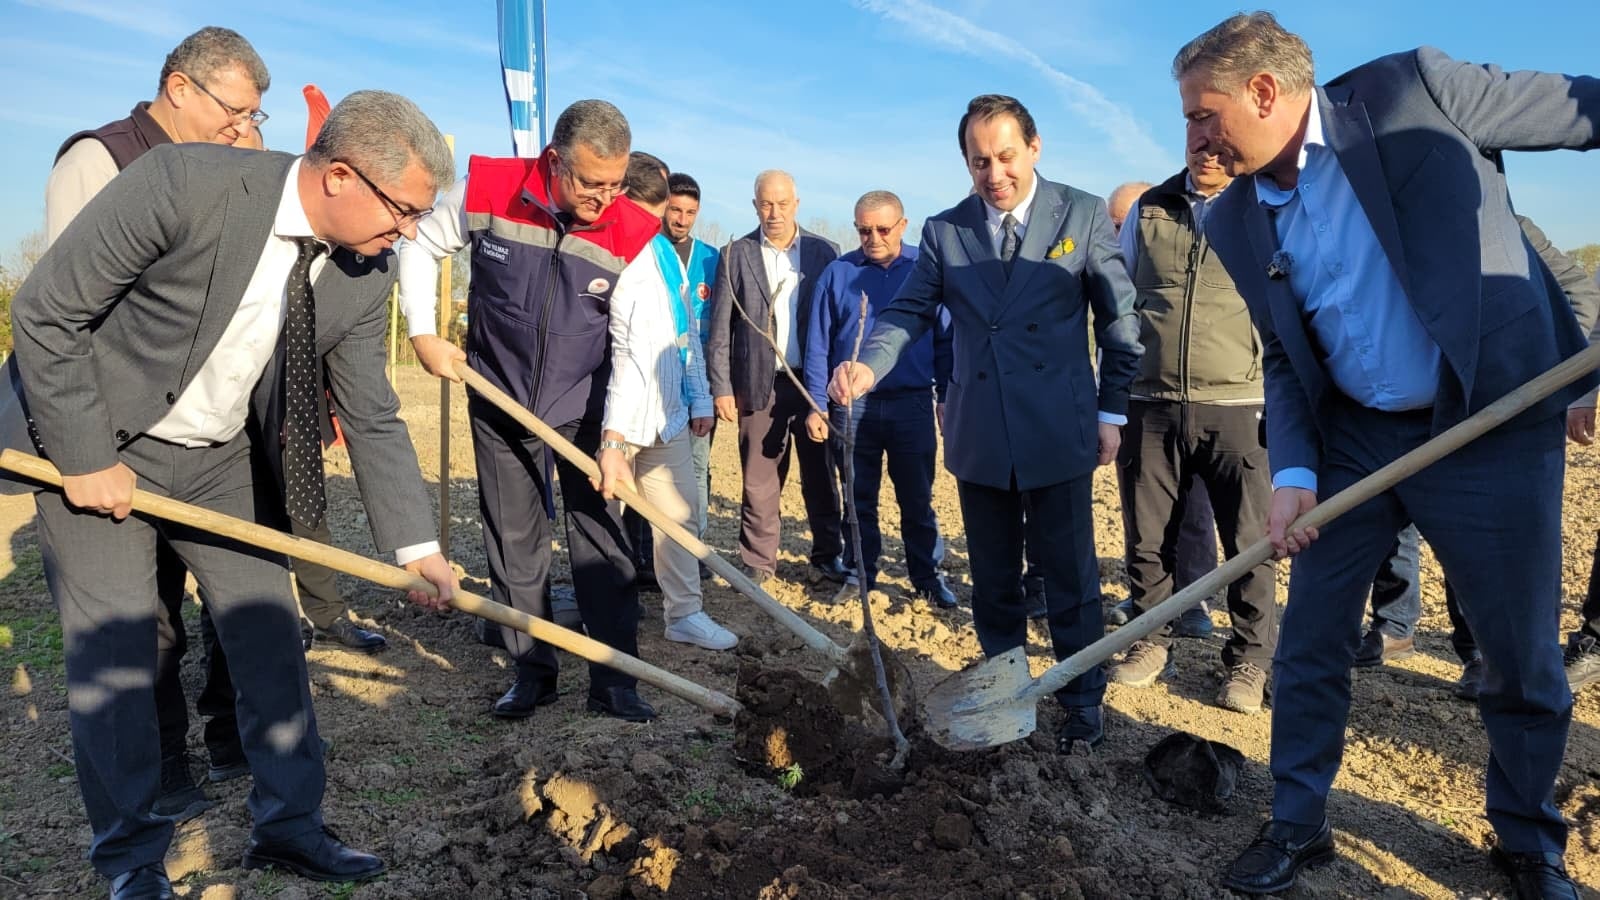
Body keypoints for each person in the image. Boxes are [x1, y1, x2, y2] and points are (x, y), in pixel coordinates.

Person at [1173, 13, 1599, 897]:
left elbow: (1581, 107)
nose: (1195, 137)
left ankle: (1529, 844)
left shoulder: (1415, 93)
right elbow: (1285, 356)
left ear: (1263, 91)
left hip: (1488, 421)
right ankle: (1298, 823)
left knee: (1520, 656)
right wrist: (1294, 475)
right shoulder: (1236, 219)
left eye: (1203, 114)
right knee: (1310, 640)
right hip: (1356, 440)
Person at [3, 90, 458, 899]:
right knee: (117, 658)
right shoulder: (186, 183)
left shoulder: (365, 269)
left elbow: (372, 411)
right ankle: (132, 862)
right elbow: (47, 311)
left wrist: (417, 549)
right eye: (405, 211)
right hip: (99, 441)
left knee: (268, 636)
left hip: (219, 459)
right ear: (341, 176)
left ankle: (289, 827)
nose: (411, 232)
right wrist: (84, 454)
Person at [830, 94, 1143, 752]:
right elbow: (908, 312)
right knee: (995, 583)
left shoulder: (1082, 214)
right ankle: (1005, 696)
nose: (994, 173)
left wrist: (1112, 408)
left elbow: (1119, 320)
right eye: (979, 161)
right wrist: (868, 365)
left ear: (1034, 147)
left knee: (1070, 578)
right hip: (981, 432)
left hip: (1058, 426)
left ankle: (1082, 700)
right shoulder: (946, 231)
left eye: (1005, 156)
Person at [43, 25, 271, 826]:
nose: (243, 128)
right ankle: (163, 763)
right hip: (116, 437)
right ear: (179, 87)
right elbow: (68, 314)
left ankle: (231, 739)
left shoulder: (228, 168)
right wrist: (89, 449)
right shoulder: (99, 161)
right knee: (147, 617)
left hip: (203, 436)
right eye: (233, 111)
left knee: (232, 600)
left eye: (254, 116)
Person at [398, 99, 660, 723]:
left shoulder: (632, 232)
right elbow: (419, 242)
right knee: (514, 539)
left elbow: (635, 345)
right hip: (497, 392)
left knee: (601, 542)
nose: (605, 199)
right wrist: (422, 331)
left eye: (616, 185)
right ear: (555, 162)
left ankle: (615, 679)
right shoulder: (489, 189)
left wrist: (616, 441)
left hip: (586, 406)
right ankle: (532, 672)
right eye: (592, 183)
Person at [1106, 151, 1279, 714]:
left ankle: (1250, 660)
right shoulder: (1149, 210)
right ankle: (1150, 640)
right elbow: (1119, 301)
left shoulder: (1266, 205)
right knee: (1148, 538)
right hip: (1150, 401)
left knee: (1249, 541)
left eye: (1215, 128)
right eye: (1194, 127)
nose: (1205, 146)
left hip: (1240, 402)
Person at [593, 160, 737, 651]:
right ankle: (608, 615)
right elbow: (626, 353)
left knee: (680, 516)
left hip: (669, 416)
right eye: (658, 211)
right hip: (617, 421)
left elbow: (686, 334)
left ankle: (685, 614)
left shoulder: (668, 259)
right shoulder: (613, 255)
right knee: (605, 522)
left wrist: (698, 397)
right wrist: (614, 438)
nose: (667, 221)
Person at [802, 190, 956, 608]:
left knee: (917, 498)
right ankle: (859, 574)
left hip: (912, 404)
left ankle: (927, 576)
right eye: (864, 230)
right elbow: (818, 344)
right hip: (852, 408)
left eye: (883, 229)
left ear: (903, 226)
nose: (873, 238)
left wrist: (946, 395)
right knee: (857, 498)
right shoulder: (838, 274)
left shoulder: (925, 272)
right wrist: (817, 403)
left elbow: (946, 340)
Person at [705, 170, 846, 585]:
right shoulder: (735, 253)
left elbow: (836, 322)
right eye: (766, 204)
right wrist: (722, 387)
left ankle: (827, 556)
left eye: (783, 204)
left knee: (821, 475)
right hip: (757, 385)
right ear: (755, 206)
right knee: (759, 478)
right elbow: (721, 328)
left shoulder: (826, 252)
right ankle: (758, 562)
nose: (775, 213)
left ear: (796, 204)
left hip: (813, 384)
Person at [1103, 182, 1218, 637]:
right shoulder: (1116, 265)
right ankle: (1146, 597)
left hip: (1197, 396)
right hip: (1139, 395)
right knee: (1141, 508)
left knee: (1195, 505)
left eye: (1122, 222)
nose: (1118, 231)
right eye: (1113, 223)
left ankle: (1193, 598)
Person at [662, 173, 722, 543]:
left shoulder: (712, 259)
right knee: (652, 466)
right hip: (659, 378)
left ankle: (694, 545)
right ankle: (647, 550)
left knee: (697, 465)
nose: (682, 219)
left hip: (700, 384)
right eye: (675, 210)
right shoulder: (649, 251)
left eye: (690, 212)